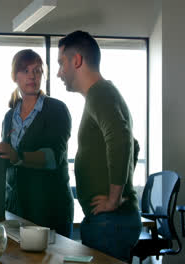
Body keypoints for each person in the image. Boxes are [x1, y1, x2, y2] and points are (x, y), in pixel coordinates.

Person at [56, 30, 141, 261]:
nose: (58, 73)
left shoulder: (100, 93)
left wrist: (114, 198)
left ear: (77, 60)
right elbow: (133, 145)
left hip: (110, 222)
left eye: (61, 63)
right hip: (108, 221)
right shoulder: (102, 94)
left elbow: (122, 140)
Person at [0, 49, 74, 238]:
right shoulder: (9, 116)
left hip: (49, 210)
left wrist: (17, 156)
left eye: (37, 71)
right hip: (16, 209)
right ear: (15, 76)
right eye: (25, 70)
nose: (32, 76)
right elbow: (8, 160)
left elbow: (53, 157)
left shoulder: (56, 110)